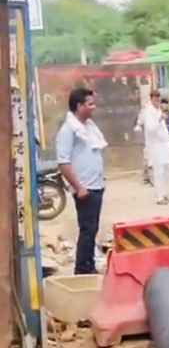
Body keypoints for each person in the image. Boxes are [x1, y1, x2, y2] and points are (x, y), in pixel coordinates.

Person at [56, 88, 107, 275]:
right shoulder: (68, 130)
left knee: (92, 229)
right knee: (87, 230)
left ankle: (88, 264)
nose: (94, 107)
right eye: (90, 104)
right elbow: (63, 162)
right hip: (85, 189)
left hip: (96, 186)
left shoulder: (88, 127)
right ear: (79, 106)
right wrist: (78, 187)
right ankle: (83, 269)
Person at [137, 90, 169, 205]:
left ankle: (163, 193)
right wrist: (160, 119)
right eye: (155, 98)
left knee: (167, 169)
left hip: (163, 143)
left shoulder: (158, 110)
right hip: (155, 146)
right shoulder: (149, 111)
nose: (157, 101)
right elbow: (150, 129)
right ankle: (159, 197)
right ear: (151, 99)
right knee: (158, 172)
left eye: (158, 98)